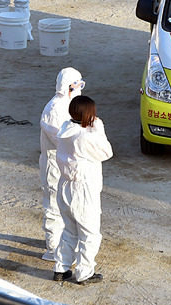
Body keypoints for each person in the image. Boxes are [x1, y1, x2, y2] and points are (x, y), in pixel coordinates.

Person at [53, 95, 113, 285]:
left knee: (70, 231)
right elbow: (107, 152)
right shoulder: (85, 137)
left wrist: (90, 127)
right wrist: (98, 129)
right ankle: (84, 273)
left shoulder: (65, 129)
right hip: (83, 190)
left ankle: (61, 268)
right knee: (89, 234)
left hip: (65, 186)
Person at [39, 68, 85, 261]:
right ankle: (53, 250)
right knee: (53, 206)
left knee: (65, 205)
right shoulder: (54, 110)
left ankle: (62, 241)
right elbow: (61, 140)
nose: (80, 89)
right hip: (53, 165)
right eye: (78, 85)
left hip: (64, 164)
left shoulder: (68, 104)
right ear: (69, 87)